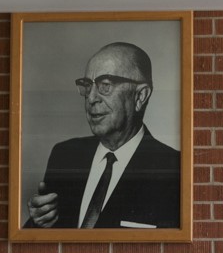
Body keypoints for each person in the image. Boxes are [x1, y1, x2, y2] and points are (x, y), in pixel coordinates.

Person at [26, 42, 180, 229]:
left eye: (105, 85)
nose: (91, 98)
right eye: (86, 86)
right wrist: (39, 221)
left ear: (140, 96)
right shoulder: (65, 156)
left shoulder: (173, 170)